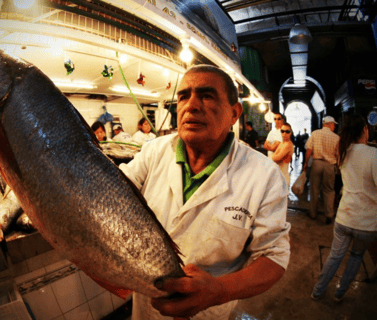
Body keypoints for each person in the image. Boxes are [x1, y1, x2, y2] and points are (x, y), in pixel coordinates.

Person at [119, 65, 291, 319]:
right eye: (183, 96)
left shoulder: (263, 175)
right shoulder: (153, 152)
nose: (192, 105)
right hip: (147, 309)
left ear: (234, 113)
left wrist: (220, 290)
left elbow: (273, 256)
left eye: (207, 95)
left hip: (209, 312)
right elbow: (114, 194)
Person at [311, 115, 377, 302]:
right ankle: (340, 293)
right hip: (366, 221)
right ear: (365, 130)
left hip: (345, 217)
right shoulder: (372, 154)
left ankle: (317, 291)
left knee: (335, 256)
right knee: (356, 257)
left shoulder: (343, 150)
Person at [303, 116, 339, 224]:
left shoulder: (315, 133)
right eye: (334, 125)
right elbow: (338, 155)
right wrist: (338, 167)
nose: (334, 127)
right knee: (329, 190)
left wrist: (305, 163)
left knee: (314, 189)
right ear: (329, 124)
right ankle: (329, 215)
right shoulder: (336, 137)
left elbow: (309, 150)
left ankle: (313, 213)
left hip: (317, 164)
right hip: (329, 165)